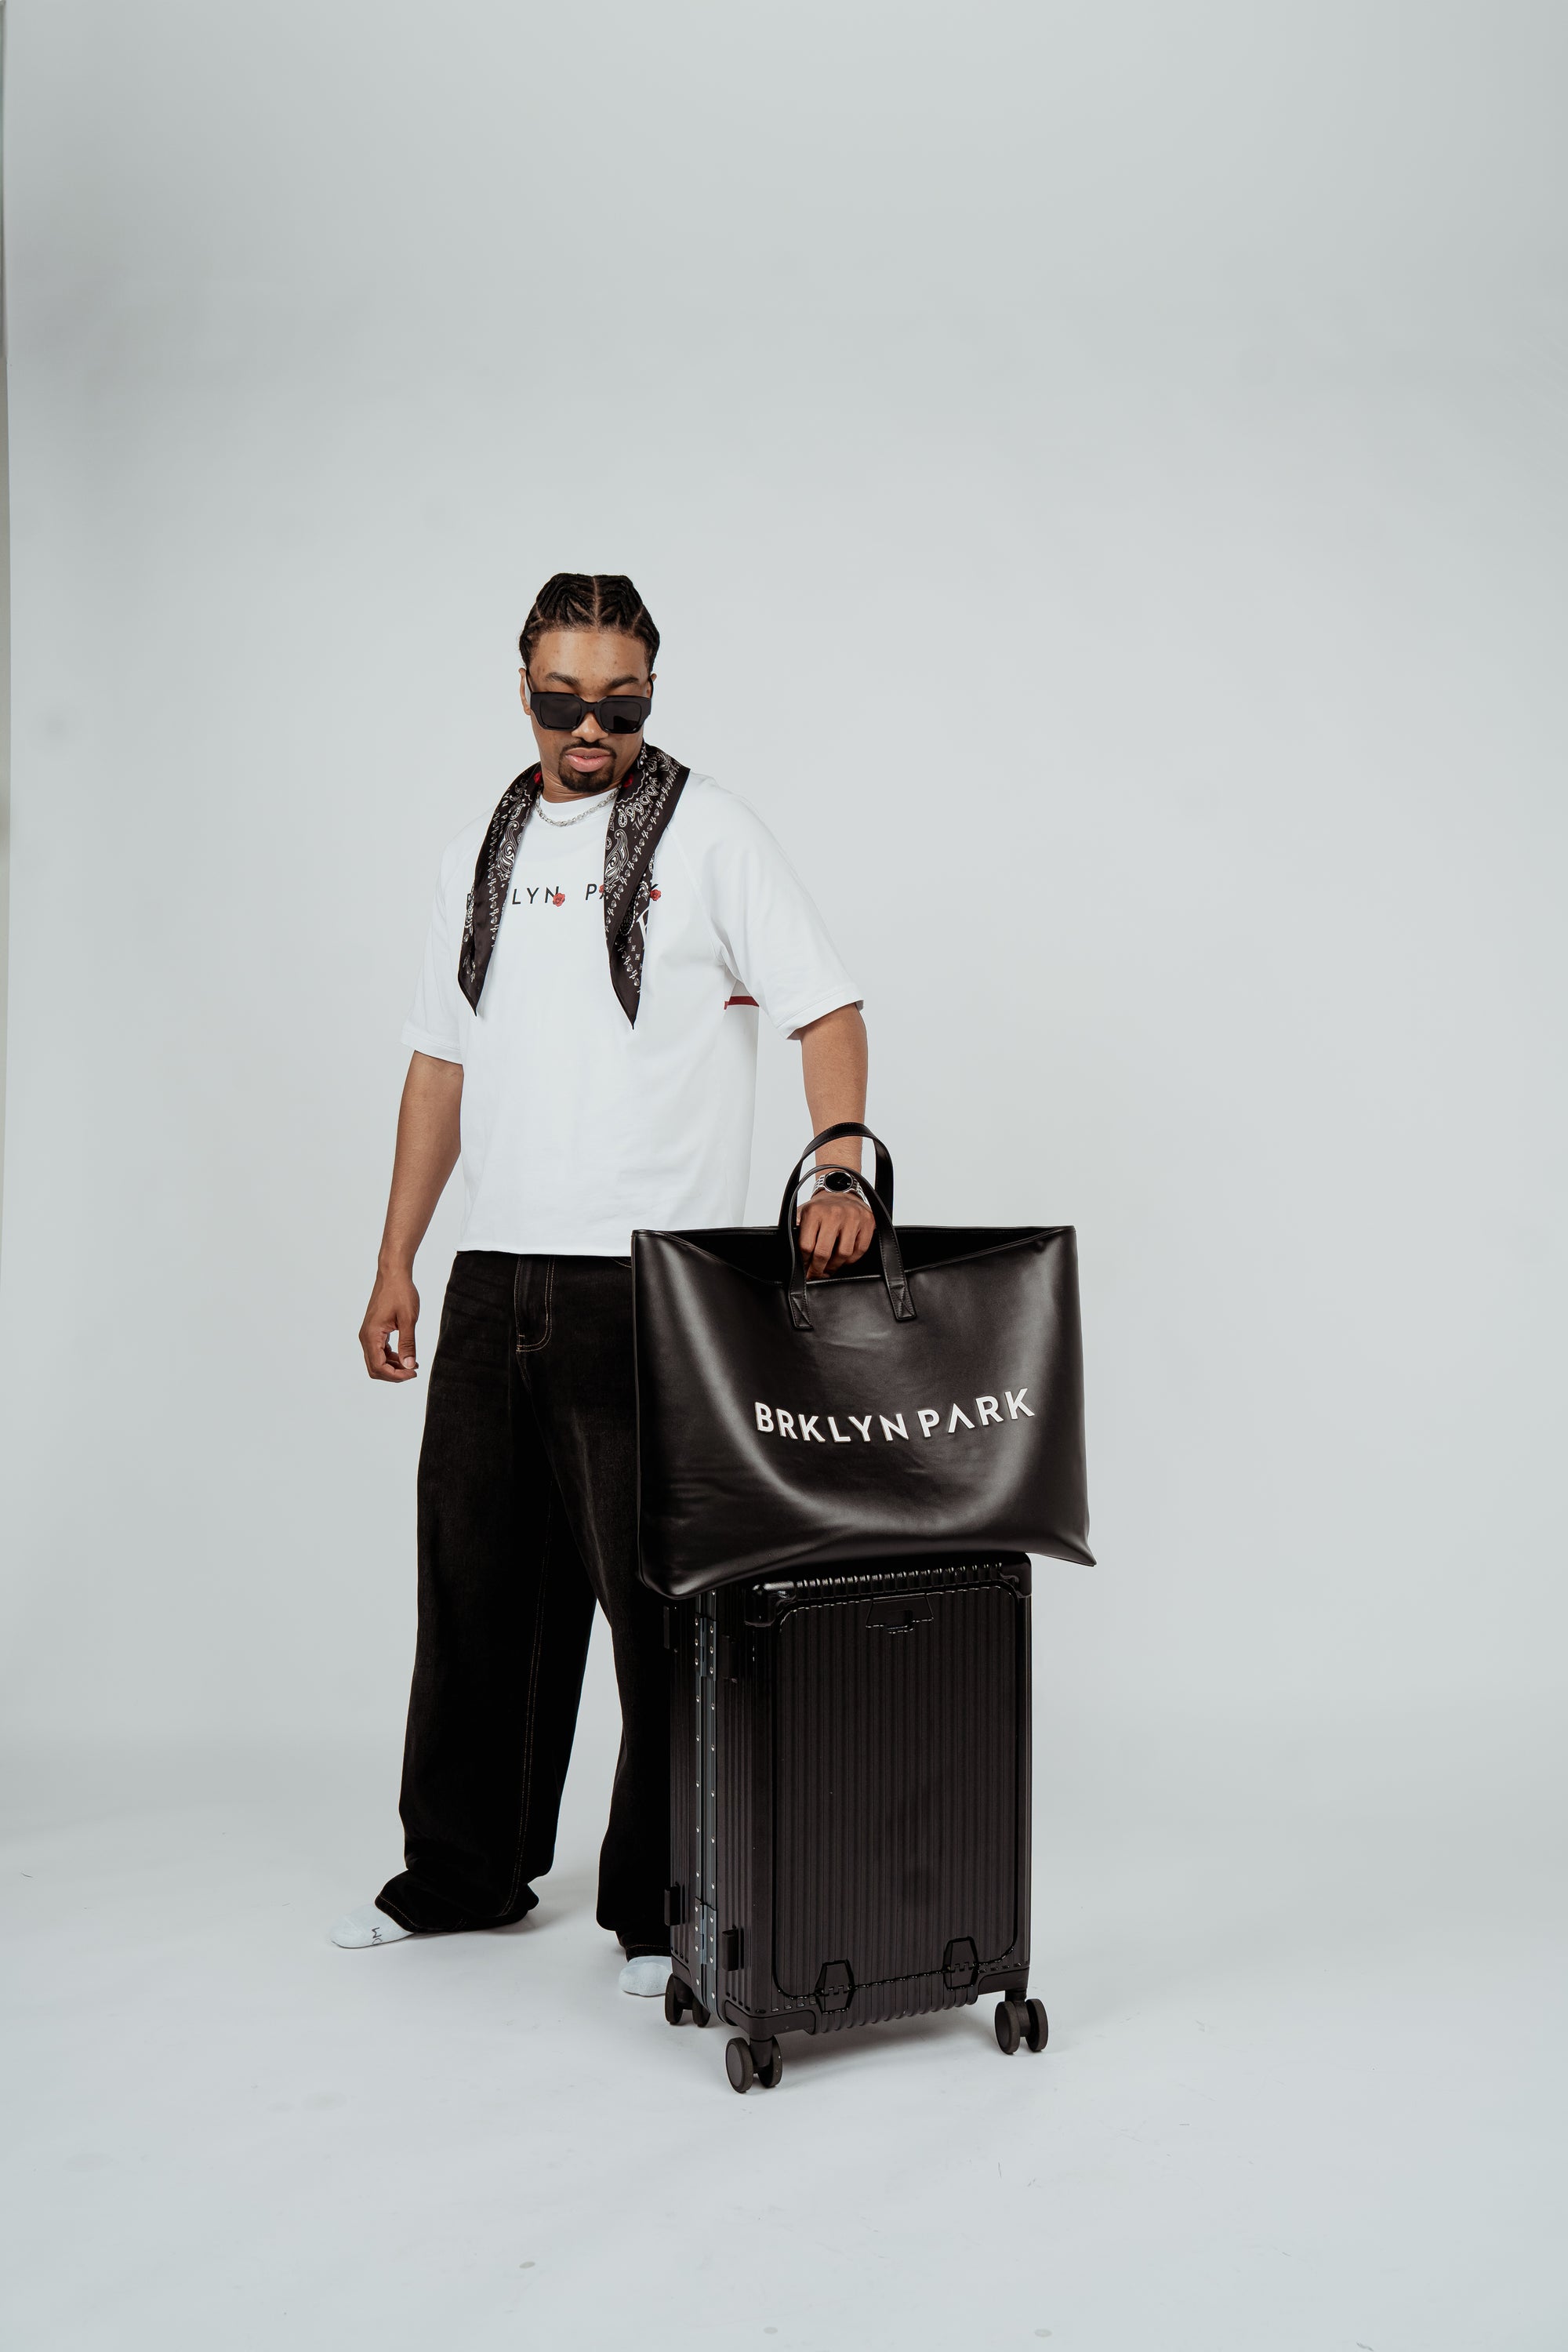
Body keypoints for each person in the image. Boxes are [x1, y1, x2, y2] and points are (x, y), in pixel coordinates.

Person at [333, 572, 874, 1993]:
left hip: (649, 1280)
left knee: (660, 1606)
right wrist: (398, 1256)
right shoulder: (480, 850)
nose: (592, 729)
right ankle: (462, 1872)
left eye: (620, 704)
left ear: (649, 692)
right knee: (476, 1595)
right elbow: (442, 1063)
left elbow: (826, 1004)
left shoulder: (712, 833)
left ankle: (660, 1906)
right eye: (566, 701)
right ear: (522, 689)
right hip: (494, 1270)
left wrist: (836, 1165)